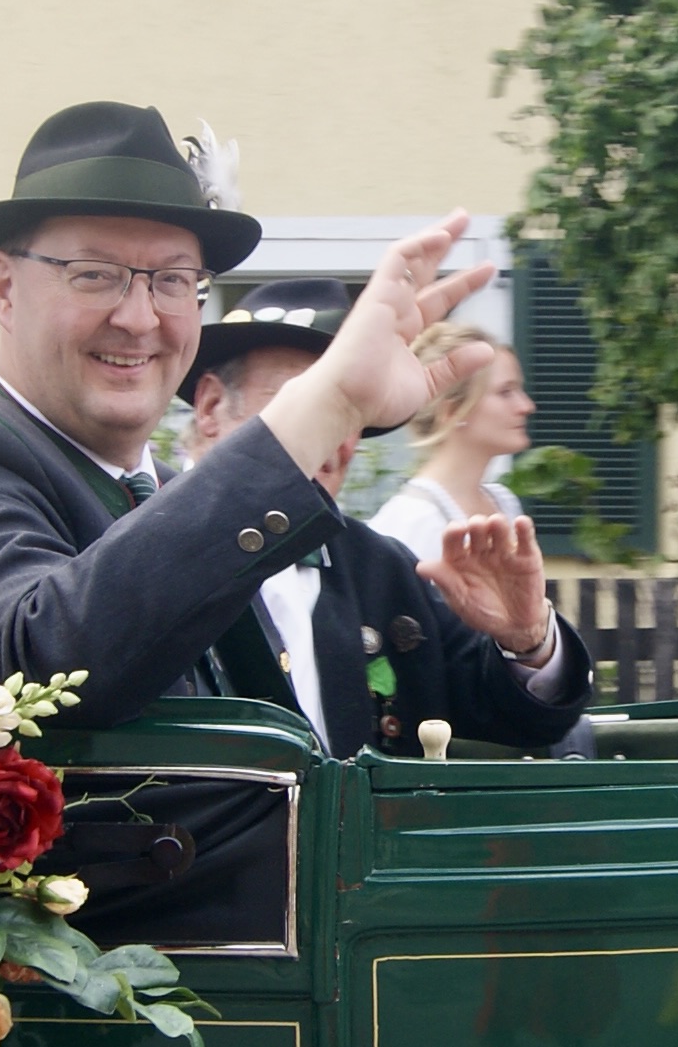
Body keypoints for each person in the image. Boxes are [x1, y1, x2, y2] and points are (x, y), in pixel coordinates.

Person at [0, 104, 533, 731]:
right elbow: (28, 668)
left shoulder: (173, 499)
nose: (138, 317)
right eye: (95, 274)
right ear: (6, 289)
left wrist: (530, 643)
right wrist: (328, 404)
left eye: (174, 280)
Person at [179, 283, 589, 754]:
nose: (331, 437)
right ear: (211, 406)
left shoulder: (381, 567)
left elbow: (513, 722)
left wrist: (529, 642)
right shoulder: (131, 545)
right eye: (303, 404)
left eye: (352, 412)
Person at [372, 322, 535, 568]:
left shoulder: (503, 503)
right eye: (506, 392)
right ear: (453, 411)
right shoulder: (414, 521)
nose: (526, 406)